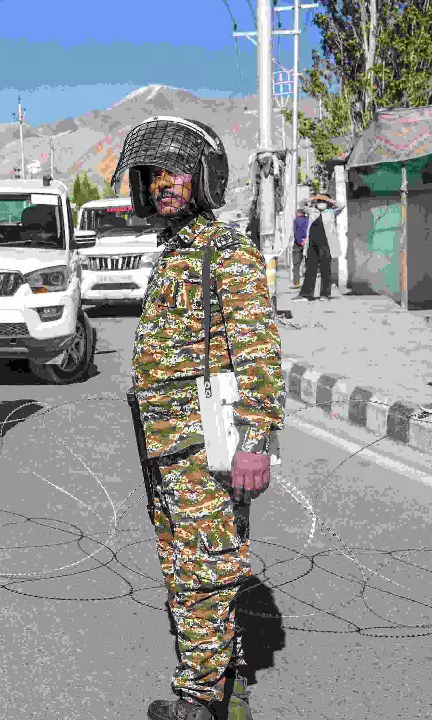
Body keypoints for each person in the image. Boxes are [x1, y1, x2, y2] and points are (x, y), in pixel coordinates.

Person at [112, 116, 284, 720]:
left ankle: (199, 699)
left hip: (203, 446)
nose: (162, 184)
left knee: (205, 570)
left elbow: (258, 351)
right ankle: (227, 690)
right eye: (153, 174)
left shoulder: (227, 252)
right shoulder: (172, 253)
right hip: (164, 446)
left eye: (175, 172)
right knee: (185, 566)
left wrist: (256, 442)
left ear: (205, 176)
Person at [297, 193, 334, 301]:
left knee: (325, 269)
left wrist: (328, 199)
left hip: (326, 244)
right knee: (310, 269)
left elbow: (341, 205)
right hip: (312, 244)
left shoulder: (331, 212)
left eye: (323, 201)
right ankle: (307, 294)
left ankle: (325, 295)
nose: (321, 203)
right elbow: (301, 204)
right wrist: (314, 198)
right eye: (319, 201)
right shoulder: (312, 211)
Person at [291, 208, 309, 288]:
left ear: (298, 213)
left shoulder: (296, 220)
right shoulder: (308, 220)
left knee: (296, 265)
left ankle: (296, 283)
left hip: (298, 245)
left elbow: (297, 232)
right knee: (308, 264)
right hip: (307, 243)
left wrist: (300, 241)